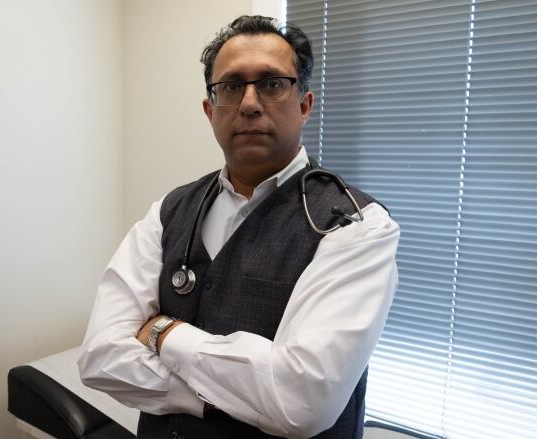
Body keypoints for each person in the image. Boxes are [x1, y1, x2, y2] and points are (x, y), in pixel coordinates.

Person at [78, 15, 399, 439]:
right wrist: (219, 394)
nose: (249, 103)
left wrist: (162, 331)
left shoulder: (356, 225)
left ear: (304, 104)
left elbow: (302, 400)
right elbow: (100, 357)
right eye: (231, 87)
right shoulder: (169, 211)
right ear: (211, 111)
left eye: (271, 83)